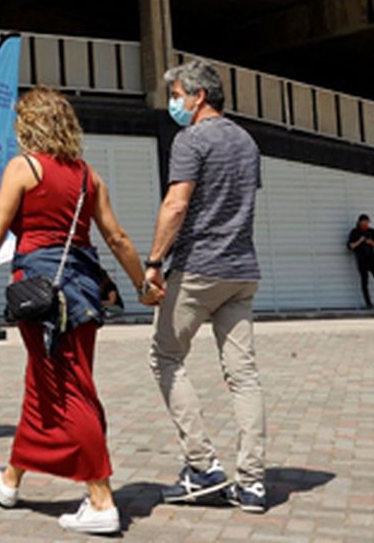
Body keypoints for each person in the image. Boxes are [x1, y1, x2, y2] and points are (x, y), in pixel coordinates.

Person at [0, 87, 153, 536]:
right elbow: (116, 238)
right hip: (81, 292)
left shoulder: (25, 167)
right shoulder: (87, 176)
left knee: (70, 387)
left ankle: (100, 500)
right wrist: (142, 286)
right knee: (46, 383)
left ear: (29, 126)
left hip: (40, 295)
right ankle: (10, 480)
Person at [141, 59, 268, 514]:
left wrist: (154, 262)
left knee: (166, 356)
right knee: (243, 375)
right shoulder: (246, 141)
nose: (172, 103)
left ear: (198, 96)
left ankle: (203, 466)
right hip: (241, 271)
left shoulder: (191, 139)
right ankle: (252, 483)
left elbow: (177, 204)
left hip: (198, 268)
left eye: (176, 95)